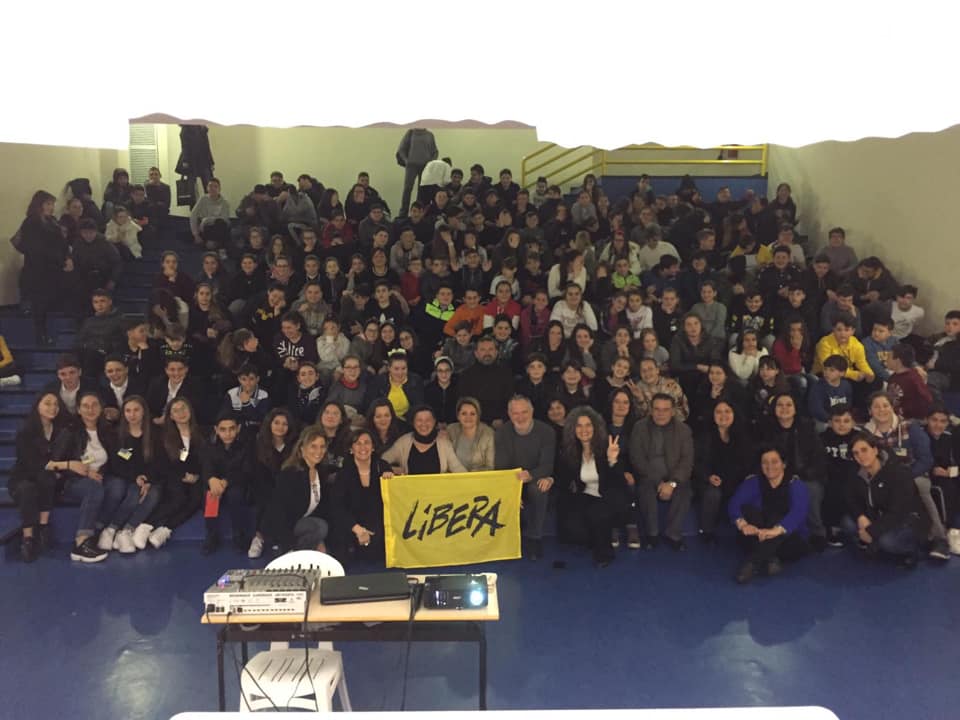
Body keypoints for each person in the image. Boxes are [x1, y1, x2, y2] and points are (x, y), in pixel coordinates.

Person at [860, 391, 947, 560]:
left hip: (913, 474)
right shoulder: (865, 433)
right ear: (870, 411)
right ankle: (876, 532)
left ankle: (939, 538)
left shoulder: (910, 427)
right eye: (876, 407)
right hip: (881, 477)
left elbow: (926, 459)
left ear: (892, 407)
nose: (881, 410)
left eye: (885, 405)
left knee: (920, 486)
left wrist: (905, 477)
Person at [728, 445, 810, 584]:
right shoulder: (754, 481)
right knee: (747, 510)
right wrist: (743, 525)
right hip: (760, 531)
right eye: (765, 462)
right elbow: (734, 504)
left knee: (778, 523)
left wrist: (775, 531)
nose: (769, 466)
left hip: (788, 537)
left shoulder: (796, 485)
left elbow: (798, 513)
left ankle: (752, 563)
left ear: (784, 464)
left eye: (774, 461)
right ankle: (770, 558)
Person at [846, 433, 929, 568]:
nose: (860, 456)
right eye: (856, 453)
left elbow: (899, 512)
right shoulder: (856, 472)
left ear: (875, 450)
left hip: (908, 520)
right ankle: (876, 543)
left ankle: (914, 549)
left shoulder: (899, 472)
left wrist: (871, 531)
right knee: (848, 523)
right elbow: (850, 498)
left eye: (864, 450)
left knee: (887, 541)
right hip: (879, 517)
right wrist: (860, 516)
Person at [555, 407, 625, 566]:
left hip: (609, 495)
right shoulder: (570, 451)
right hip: (586, 495)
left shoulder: (608, 446)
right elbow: (564, 481)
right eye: (579, 426)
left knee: (597, 512)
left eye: (588, 425)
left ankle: (605, 554)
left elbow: (619, 482)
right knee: (572, 526)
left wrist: (612, 461)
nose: (584, 430)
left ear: (595, 427)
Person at [9, 393, 73, 561]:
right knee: (27, 488)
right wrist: (62, 465)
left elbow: (61, 458)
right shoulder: (25, 431)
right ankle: (28, 538)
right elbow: (31, 463)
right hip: (24, 477)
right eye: (47, 403)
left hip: (49, 479)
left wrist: (57, 468)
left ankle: (44, 528)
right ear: (37, 406)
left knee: (47, 478)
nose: (53, 407)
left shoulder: (62, 432)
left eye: (56, 404)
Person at [95, 396, 162, 554]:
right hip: (130, 477)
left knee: (153, 495)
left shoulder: (155, 434)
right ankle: (110, 529)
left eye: (136, 410)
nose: (132, 414)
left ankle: (126, 531)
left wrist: (148, 480)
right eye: (128, 411)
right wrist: (136, 478)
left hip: (151, 478)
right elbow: (119, 463)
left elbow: (160, 461)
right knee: (133, 495)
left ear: (144, 411)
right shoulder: (118, 435)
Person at [627, 393, 694, 551]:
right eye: (657, 409)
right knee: (645, 489)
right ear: (651, 410)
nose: (660, 413)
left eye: (665, 410)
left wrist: (672, 483)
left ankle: (674, 534)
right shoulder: (639, 427)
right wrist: (658, 482)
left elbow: (687, 461)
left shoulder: (683, 430)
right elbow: (637, 458)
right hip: (648, 475)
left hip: (675, 477)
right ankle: (652, 535)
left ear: (673, 411)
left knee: (685, 490)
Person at [495, 395, 557, 559]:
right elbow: (501, 467)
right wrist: (512, 490)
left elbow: (547, 465)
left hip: (535, 477)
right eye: (515, 413)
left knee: (539, 488)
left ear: (532, 412)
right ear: (509, 414)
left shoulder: (546, 432)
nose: (520, 417)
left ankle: (535, 537)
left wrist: (532, 475)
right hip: (512, 480)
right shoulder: (502, 433)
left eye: (524, 412)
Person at [60, 391, 117, 562]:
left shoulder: (108, 430)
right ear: (78, 409)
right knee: (94, 488)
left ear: (101, 409)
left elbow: (121, 453)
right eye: (85, 406)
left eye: (94, 405)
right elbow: (58, 461)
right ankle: (81, 542)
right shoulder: (70, 431)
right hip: (73, 480)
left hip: (101, 477)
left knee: (119, 486)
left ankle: (97, 530)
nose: (90, 409)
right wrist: (85, 472)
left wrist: (132, 454)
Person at [144, 397, 206, 549]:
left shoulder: (202, 433)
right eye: (176, 411)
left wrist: (196, 476)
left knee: (196, 498)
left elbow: (205, 459)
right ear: (170, 416)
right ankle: (146, 525)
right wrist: (182, 475)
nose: (181, 413)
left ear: (190, 410)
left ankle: (166, 529)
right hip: (173, 475)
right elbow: (163, 463)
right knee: (178, 497)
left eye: (183, 408)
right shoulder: (164, 436)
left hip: (196, 477)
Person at [263, 427, 334, 552]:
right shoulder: (291, 473)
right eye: (313, 446)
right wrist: (288, 544)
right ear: (302, 448)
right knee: (319, 527)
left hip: (302, 521)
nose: (319, 451)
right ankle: (293, 554)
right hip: (283, 526)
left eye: (322, 446)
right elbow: (279, 512)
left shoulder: (321, 472)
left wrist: (320, 541)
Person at [695, 400, 754, 542]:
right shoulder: (703, 436)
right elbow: (696, 463)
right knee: (713, 493)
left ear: (734, 414)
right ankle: (707, 531)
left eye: (727, 411)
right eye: (719, 412)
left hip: (737, 480)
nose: (723, 415)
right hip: (711, 481)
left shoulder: (744, 436)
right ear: (713, 415)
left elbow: (748, 464)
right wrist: (708, 476)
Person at [17, 190, 71, 345]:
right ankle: (41, 336)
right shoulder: (31, 222)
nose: (51, 207)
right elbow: (36, 248)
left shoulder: (52, 221)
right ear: (39, 204)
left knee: (49, 302)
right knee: (40, 303)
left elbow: (61, 242)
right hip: (38, 269)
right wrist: (59, 259)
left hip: (53, 268)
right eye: (48, 204)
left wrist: (67, 257)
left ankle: (49, 334)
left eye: (52, 204)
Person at [333, 429, 393, 563]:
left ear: (373, 447)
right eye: (358, 443)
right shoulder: (344, 473)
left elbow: (392, 501)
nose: (363, 447)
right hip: (352, 525)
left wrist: (391, 480)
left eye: (367, 443)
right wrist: (358, 529)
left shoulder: (382, 466)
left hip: (378, 523)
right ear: (351, 449)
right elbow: (337, 507)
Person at [200, 412, 252, 555]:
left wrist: (226, 481)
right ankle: (212, 534)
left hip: (237, 483)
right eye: (223, 430)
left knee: (236, 495)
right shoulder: (209, 446)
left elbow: (246, 471)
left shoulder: (246, 445)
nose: (228, 434)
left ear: (238, 428)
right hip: (216, 484)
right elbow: (206, 466)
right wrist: (211, 479)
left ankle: (239, 534)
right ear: (216, 430)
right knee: (210, 494)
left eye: (231, 429)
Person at [381, 406, 466, 474]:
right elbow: (382, 461)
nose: (423, 424)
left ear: (434, 422)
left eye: (428, 420)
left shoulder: (444, 443)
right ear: (413, 422)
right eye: (419, 420)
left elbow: (458, 468)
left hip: (438, 490)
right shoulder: (403, 442)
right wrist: (391, 469)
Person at [456, 336, 515, 426]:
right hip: (474, 423)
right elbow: (464, 402)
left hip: (500, 424)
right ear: (476, 353)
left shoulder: (506, 374)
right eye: (483, 350)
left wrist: (503, 418)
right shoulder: (466, 375)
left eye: (490, 349)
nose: (487, 353)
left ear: (496, 352)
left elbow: (510, 400)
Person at [365, 351, 425, 420]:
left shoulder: (415, 381)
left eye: (403, 368)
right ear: (389, 368)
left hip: (407, 420)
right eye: (396, 369)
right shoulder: (378, 381)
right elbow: (370, 406)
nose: (400, 373)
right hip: (384, 419)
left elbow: (419, 407)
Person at [396, 128, 438, 217]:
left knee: (422, 190)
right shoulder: (410, 133)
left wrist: (431, 163)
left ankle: (419, 211)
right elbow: (401, 149)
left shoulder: (429, 135)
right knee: (407, 189)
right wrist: (406, 161)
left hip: (425, 167)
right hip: (411, 166)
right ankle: (403, 214)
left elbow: (435, 151)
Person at [446, 397, 496, 471]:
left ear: (478, 416)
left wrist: (470, 475)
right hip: (454, 476)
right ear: (458, 416)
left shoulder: (488, 434)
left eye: (472, 414)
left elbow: (491, 467)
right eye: (464, 413)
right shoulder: (450, 430)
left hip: (479, 477)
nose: (468, 417)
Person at [190, 178, 232, 250]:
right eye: (210, 186)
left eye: (215, 186)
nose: (212, 188)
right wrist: (195, 234)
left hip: (219, 227)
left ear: (219, 189)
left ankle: (212, 244)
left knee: (220, 223)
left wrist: (207, 220)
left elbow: (224, 219)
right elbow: (193, 215)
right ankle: (217, 246)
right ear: (207, 188)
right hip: (206, 228)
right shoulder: (203, 199)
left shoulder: (225, 202)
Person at [424, 356, 459, 425]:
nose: (444, 374)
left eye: (447, 370)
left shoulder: (459, 388)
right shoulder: (428, 390)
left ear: (451, 371)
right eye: (440, 371)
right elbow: (427, 410)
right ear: (436, 372)